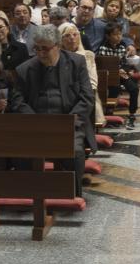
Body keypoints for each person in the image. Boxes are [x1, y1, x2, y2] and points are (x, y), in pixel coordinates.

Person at [9, 25, 92, 197]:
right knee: (20, 152)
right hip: (35, 125)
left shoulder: (76, 63)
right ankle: (29, 195)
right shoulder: (25, 69)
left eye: (45, 49)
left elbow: (86, 98)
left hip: (69, 124)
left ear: (58, 46)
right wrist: (36, 122)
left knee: (75, 151)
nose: (40, 53)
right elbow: (18, 102)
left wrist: (70, 121)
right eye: (37, 48)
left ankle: (72, 194)